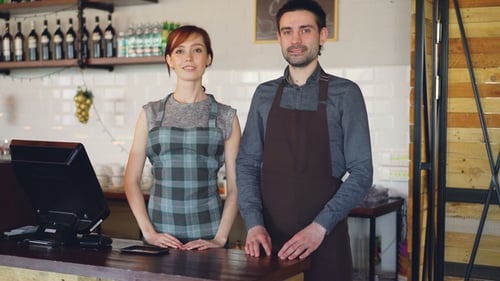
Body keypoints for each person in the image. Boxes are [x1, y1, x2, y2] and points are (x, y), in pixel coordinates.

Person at [236, 1, 373, 280]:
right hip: (269, 244)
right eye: (287, 31)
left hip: (326, 240)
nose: (295, 40)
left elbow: (362, 172)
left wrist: (319, 227)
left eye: (305, 30)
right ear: (279, 38)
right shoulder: (264, 95)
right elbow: (247, 164)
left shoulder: (346, 94)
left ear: (322, 35)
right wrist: (253, 224)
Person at [124, 25, 241, 250]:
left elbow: (236, 187)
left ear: (209, 58)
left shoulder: (227, 116)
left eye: (197, 50)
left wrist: (220, 238)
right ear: (169, 60)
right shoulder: (150, 113)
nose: (188, 57)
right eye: (179, 51)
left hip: (207, 237)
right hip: (159, 237)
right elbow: (131, 180)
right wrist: (149, 233)